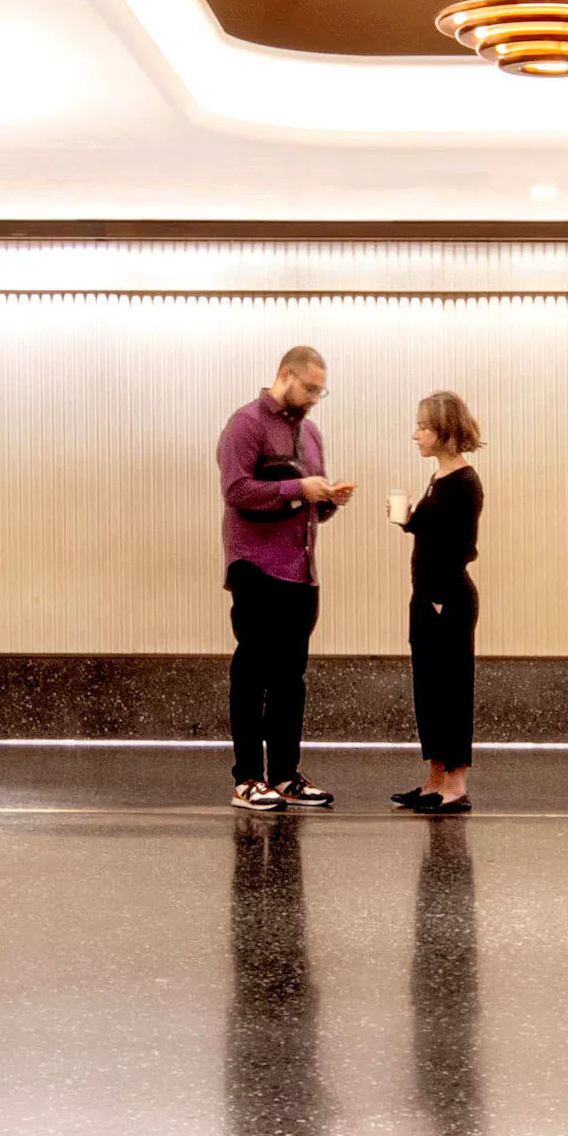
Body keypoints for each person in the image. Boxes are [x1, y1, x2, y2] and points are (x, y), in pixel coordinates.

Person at [216, 346, 349, 812]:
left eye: (320, 390)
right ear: (285, 376)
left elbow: (306, 501)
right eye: (310, 387)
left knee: (291, 677)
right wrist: (298, 488)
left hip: (301, 569)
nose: (315, 397)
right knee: (253, 672)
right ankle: (248, 779)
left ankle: (286, 776)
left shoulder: (311, 433)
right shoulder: (246, 424)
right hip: (255, 565)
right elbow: (236, 490)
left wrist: (327, 498)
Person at [388, 390, 483, 812]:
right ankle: (435, 779)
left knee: (451, 690)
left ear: (444, 431)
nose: (416, 434)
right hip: (428, 598)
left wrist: (438, 597)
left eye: (423, 426)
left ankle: (455, 785)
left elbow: (459, 546)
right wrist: (409, 518)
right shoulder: (440, 479)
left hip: (447, 599)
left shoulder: (463, 482)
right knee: (428, 691)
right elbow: (431, 530)